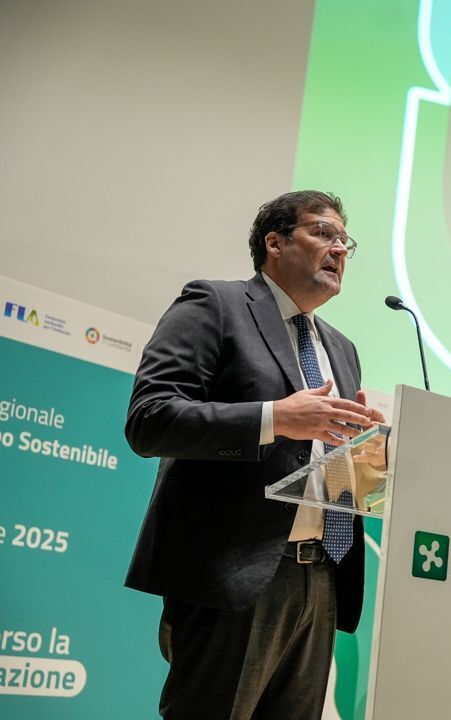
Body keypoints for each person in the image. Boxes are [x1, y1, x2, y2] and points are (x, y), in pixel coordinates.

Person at [124, 190, 385, 719]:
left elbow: (319, 453)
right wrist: (274, 417)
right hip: (236, 572)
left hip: (320, 578)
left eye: (344, 241)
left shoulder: (342, 348)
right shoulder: (215, 305)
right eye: (323, 233)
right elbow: (150, 419)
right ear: (275, 242)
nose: (338, 249)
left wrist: (364, 450)